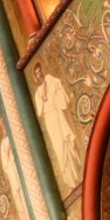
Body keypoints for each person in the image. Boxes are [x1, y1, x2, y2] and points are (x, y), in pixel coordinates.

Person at [31, 63, 83, 194]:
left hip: (58, 115)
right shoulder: (37, 93)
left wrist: (54, 94)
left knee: (66, 143)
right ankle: (70, 181)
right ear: (35, 76)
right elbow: (39, 111)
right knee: (59, 149)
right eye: (36, 73)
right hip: (50, 121)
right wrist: (44, 98)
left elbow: (58, 85)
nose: (39, 74)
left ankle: (77, 175)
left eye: (39, 71)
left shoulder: (49, 79)